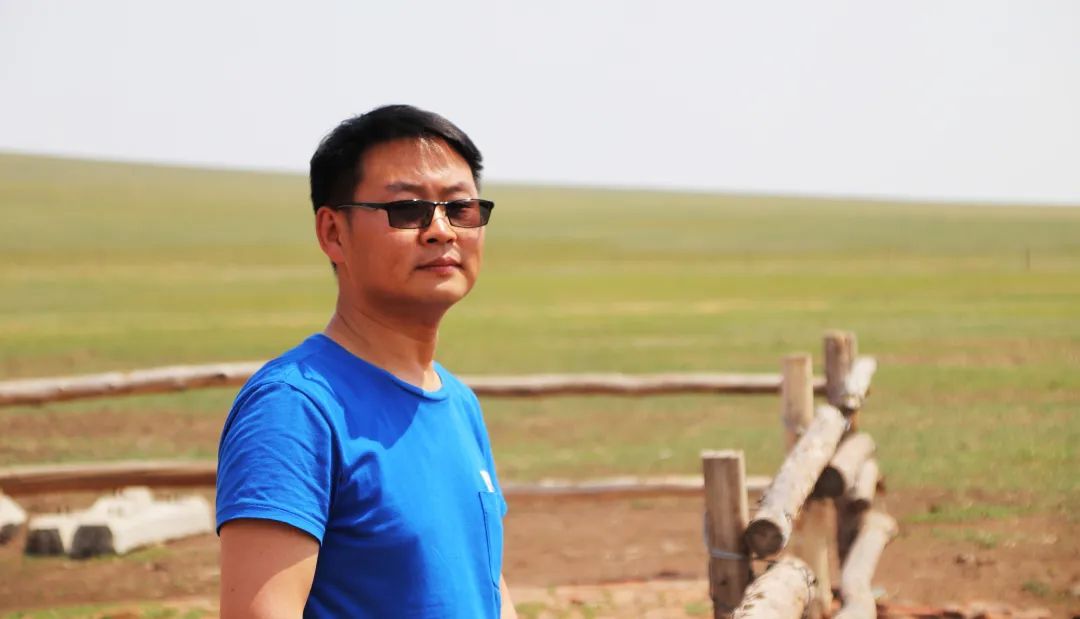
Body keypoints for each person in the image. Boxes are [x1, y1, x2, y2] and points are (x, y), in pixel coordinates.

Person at [215, 104, 516, 618]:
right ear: (334, 233)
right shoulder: (295, 409)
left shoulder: (457, 402)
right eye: (407, 210)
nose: (441, 230)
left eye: (459, 208)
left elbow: (486, 588)